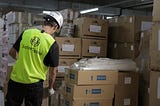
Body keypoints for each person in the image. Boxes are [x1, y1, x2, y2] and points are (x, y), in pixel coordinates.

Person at [5, 11, 63, 106]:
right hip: (34, 85)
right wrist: (50, 88)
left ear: (44, 23)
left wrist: (23, 60)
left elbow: (12, 52)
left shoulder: (27, 33)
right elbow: (53, 72)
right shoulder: (52, 44)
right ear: (56, 27)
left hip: (15, 80)